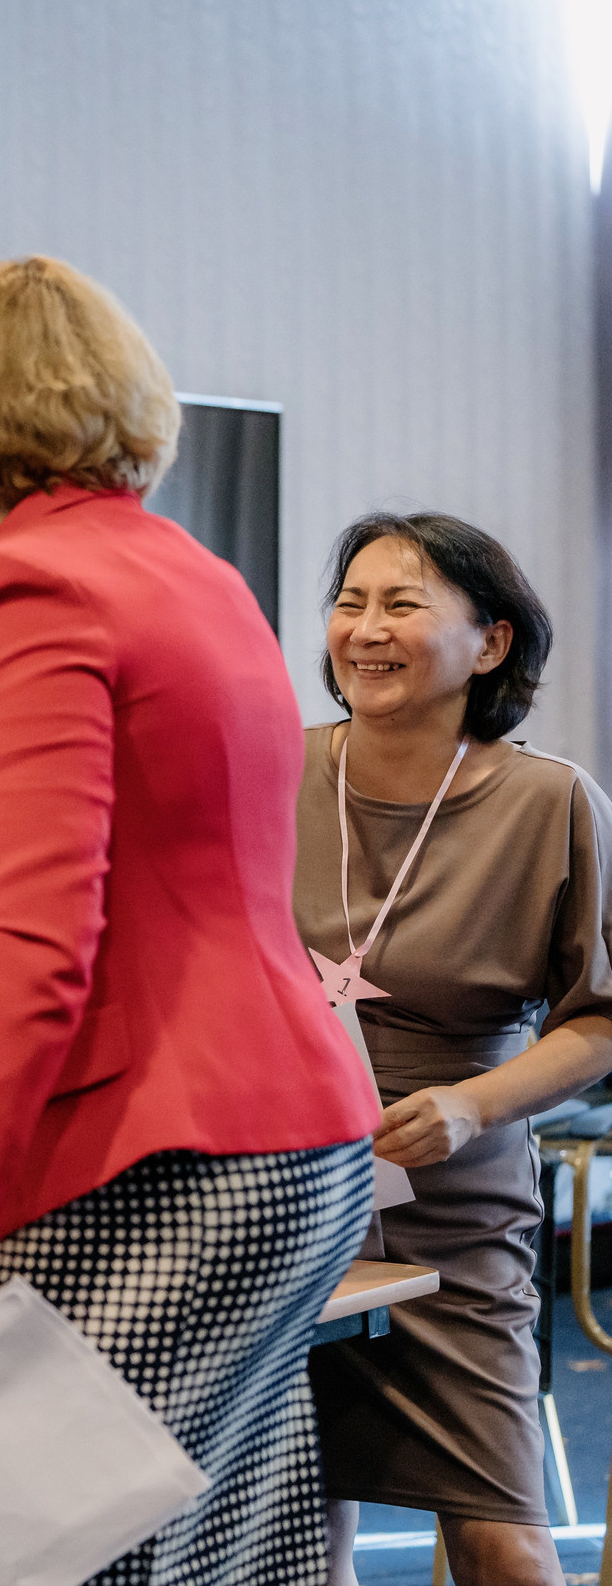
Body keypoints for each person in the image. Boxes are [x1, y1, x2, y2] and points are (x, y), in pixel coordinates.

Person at [0, 255, 381, 1584]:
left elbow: (37, 937)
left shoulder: (26, 586)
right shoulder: (190, 570)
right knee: (219, 1561)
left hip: (155, 1151)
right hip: (283, 1136)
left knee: (49, 1555)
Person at [297, 514, 612, 1586]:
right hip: (276, 1188)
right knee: (296, 1523)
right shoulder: (268, 769)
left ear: (491, 643)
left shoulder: (549, 801)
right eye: (349, 602)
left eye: (401, 604)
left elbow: (599, 1018)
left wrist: (474, 1106)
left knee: (500, 1534)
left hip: (453, 1203)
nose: (364, 629)